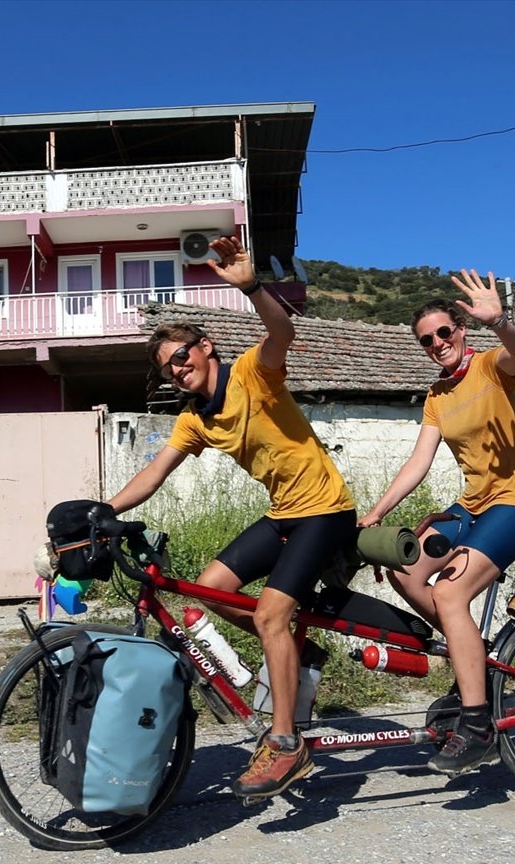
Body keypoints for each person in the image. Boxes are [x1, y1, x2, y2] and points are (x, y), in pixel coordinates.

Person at [107, 233, 356, 801]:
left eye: (180, 357)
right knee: (211, 591)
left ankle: (287, 744)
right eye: (167, 370)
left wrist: (252, 288)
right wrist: (103, 509)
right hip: (283, 513)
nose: (176, 371)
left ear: (206, 347)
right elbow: (154, 473)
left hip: (326, 510)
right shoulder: (195, 419)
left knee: (269, 615)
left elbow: (282, 334)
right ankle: (296, 649)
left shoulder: (250, 374)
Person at [359, 268, 515, 774]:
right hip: (472, 505)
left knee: (448, 594)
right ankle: (474, 654)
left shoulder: (492, 365)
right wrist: (377, 512)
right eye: (426, 340)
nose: (437, 343)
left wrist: (501, 322)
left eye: (444, 332)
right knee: (405, 570)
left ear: (461, 330)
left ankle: (477, 726)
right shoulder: (436, 396)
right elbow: (418, 462)